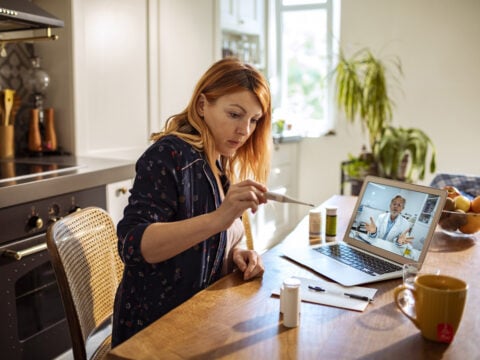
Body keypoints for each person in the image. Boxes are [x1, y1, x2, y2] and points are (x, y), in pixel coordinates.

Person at [112, 58, 272, 346]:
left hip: (201, 321)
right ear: (202, 106)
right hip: (154, 335)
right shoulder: (168, 157)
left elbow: (214, 238)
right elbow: (132, 245)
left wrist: (238, 251)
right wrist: (218, 219)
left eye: (253, 120)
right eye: (235, 114)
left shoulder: (219, 160)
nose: (245, 130)